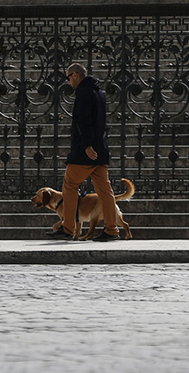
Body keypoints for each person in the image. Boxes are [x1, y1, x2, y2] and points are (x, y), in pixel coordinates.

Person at [47, 63, 120, 242]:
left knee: (70, 186)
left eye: (68, 77)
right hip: (100, 149)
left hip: (85, 151)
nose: (68, 81)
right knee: (105, 191)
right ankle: (112, 229)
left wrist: (87, 144)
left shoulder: (83, 92)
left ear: (75, 75)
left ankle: (68, 227)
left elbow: (84, 120)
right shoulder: (99, 93)